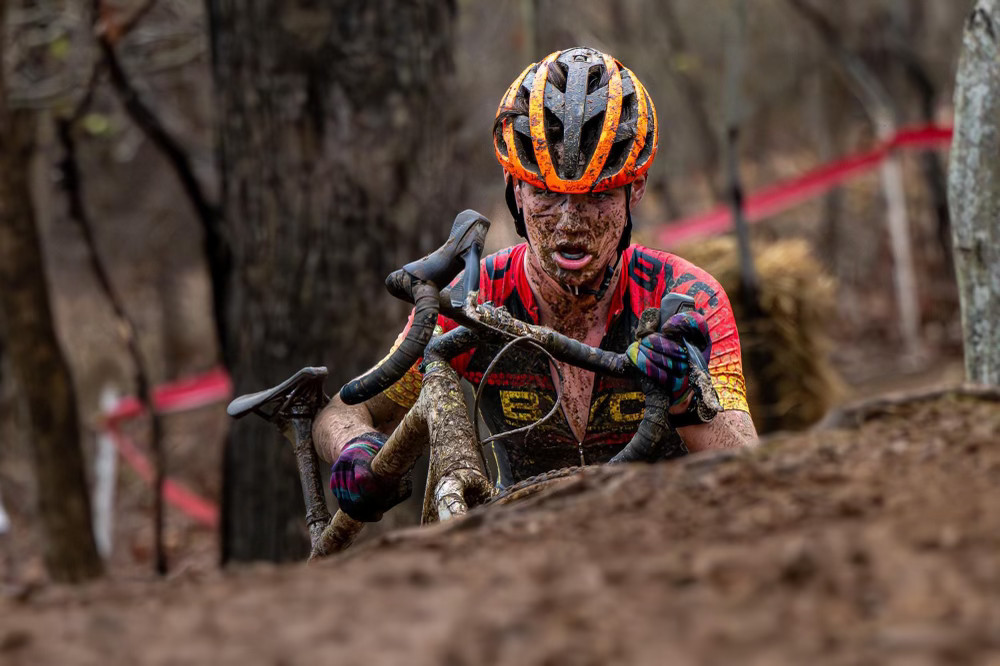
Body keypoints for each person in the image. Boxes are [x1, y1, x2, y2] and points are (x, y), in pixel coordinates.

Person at [314, 47, 758, 522]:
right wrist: (354, 449)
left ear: (637, 189)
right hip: (525, 562)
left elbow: (750, 470)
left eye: (598, 196)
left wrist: (686, 398)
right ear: (516, 188)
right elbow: (339, 412)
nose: (570, 223)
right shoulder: (476, 296)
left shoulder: (686, 296)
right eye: (546, 194)